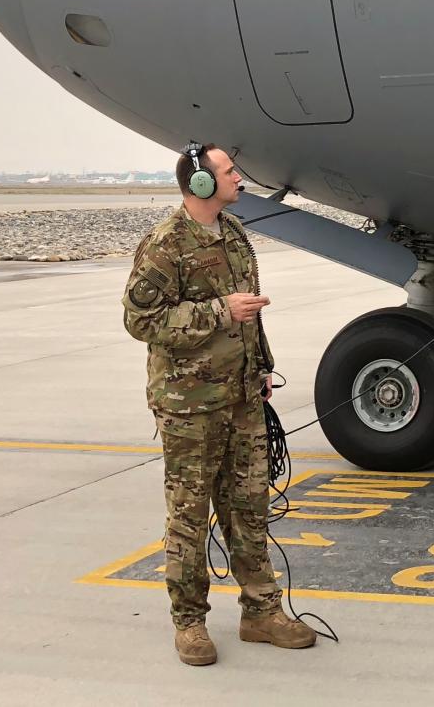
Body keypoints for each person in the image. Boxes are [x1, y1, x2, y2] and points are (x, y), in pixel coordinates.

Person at [122, 143, 316, 665]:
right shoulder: (165, 244)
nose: (238, 177)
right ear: (201, 183)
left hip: (242, 397)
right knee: (190, 513)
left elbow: (249, 313)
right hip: (190, 405)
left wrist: (261, 367)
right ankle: (189, 624)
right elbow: (141, 322)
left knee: (250, 508)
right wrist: (218, 311)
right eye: (229, 171)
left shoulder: (232, 234)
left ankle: (261, 612)